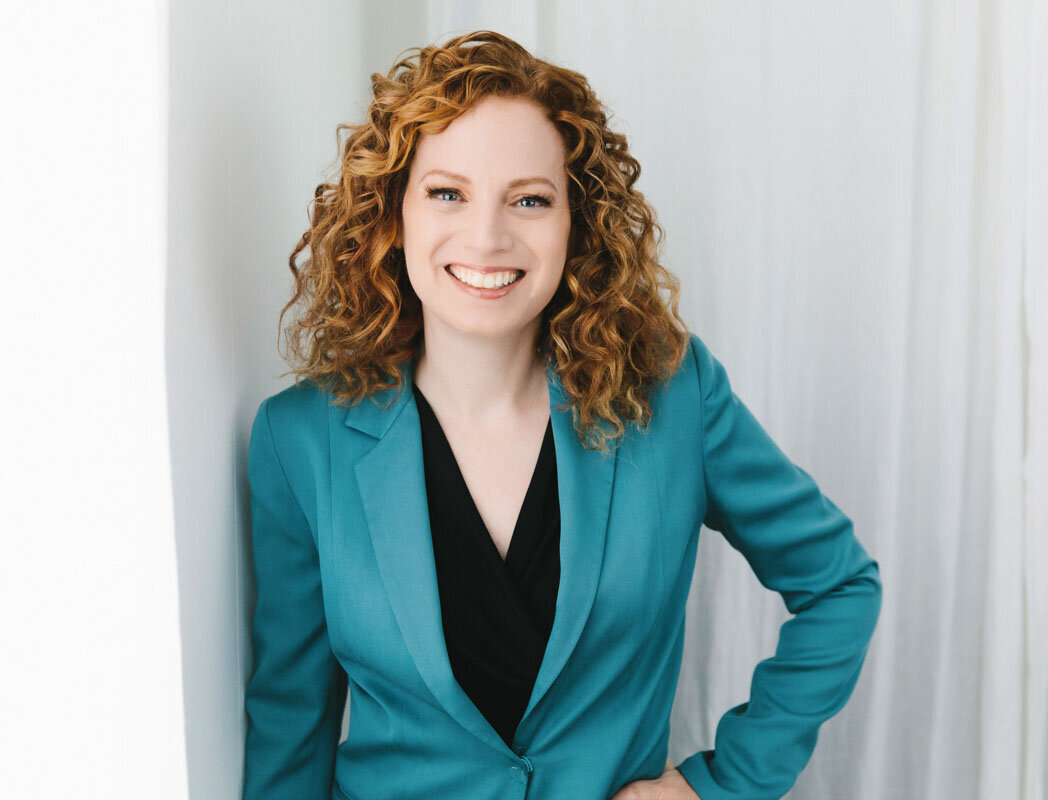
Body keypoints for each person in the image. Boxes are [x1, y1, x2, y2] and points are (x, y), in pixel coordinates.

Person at [241, 29, 882, 800]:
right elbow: (291, 727)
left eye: (530, 200)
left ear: (577, 221)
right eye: (447, 192)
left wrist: (719, 786)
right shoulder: (298, 440)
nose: (486, 237)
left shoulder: (675, 396)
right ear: (392, 212)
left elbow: (839, 585)